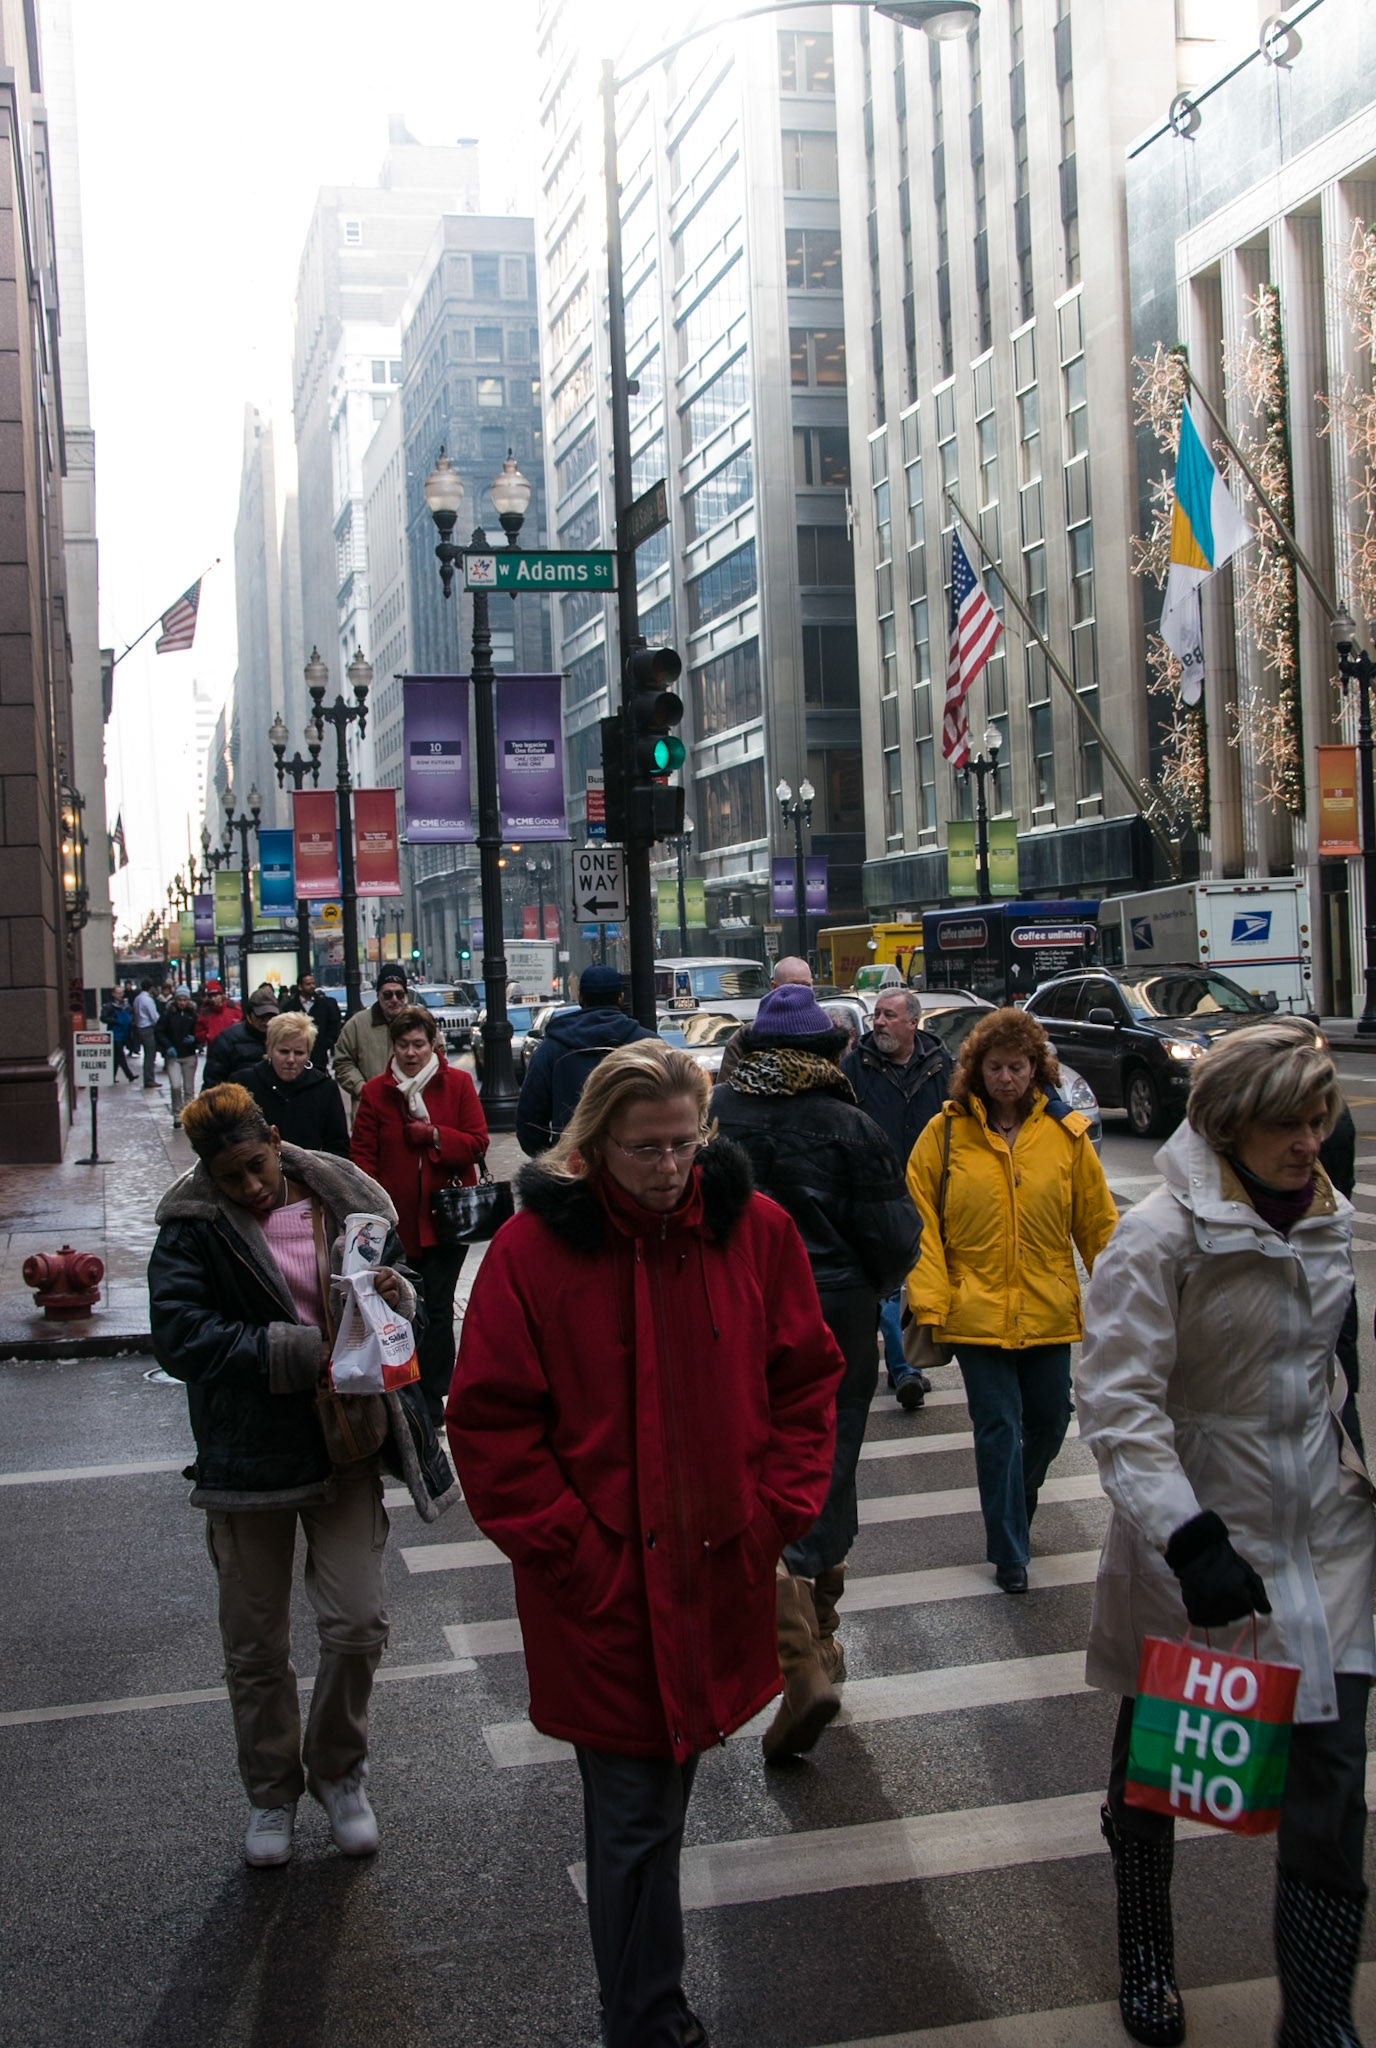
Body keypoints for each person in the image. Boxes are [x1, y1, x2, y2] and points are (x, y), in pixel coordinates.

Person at [449, 1041, 843, 2048]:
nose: (669, 1167)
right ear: (592, 1144)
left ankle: (646, 2007)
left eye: (682, 1142)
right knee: (631, 1819)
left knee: (661, 1807)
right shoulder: (535, 1257)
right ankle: (645, 2020)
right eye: (644, 1148)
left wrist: (773, 1511)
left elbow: (803, 1377)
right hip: (605, 1591)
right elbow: (490, 1425)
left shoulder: (753, 1231)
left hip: (714, 1571)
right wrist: (580, 1556)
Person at [1076, 1021, 1374, 2048]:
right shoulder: (1158, 1235)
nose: (1309, 1142)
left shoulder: (1332, 1222)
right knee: (1166, 1769)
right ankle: (1148, 1956)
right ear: (1228, 1126)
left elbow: (1342, 1377)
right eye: (1286, 1123)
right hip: (1206, 1545)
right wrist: (1187, 1535)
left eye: (1317, 1119)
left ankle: (1319, 2015)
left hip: (1327, 1541)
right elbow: (1118, 1404)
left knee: (1330, 1781)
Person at [147, 1083, 421, 1870]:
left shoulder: (345, 1195)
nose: (251, 1187)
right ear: (208, 1175)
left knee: (358, 1624)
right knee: (256, 1645)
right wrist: (295, 1351)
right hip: (246, 1459)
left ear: (275, 1138)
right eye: (230, 1178)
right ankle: (272, 1791)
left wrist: (402, 1303)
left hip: (345, 1443)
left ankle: (339, 1772)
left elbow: (402, 1297)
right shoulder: (193, 1225)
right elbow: (181, 1335)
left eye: (257, 1166)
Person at [709, 982, 921, 1760]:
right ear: (829, 1053)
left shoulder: (715, 1115)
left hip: (730, 1314)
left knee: (743, 1464)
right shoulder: (850, 1124)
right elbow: (895, 1240)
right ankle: (815, 1639)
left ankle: (796, 1641)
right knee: (827, 1462)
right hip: (832, 1315)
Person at [905, 1005, 1116, 1594]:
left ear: (1035, 1068)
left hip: (1048, 1306)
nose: (1007, 1079)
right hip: (974, 1310)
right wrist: (933, 1297)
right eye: (996, 1067)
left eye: (1018, 1067)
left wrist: (1125, 1297)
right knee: (997, 1425)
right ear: (978, 1069)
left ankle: (1018, 1500)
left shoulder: (1066, 1136)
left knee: (1050, 1419)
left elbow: (1098, 1223)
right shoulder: (945, 1133)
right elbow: (919, 1219)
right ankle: (1008, 1551)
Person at [351, 1003, 488, 1424]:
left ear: (433, 1045)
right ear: (392, 1046)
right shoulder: (377, 1092)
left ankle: (433, 1397)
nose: (411, 1053)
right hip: (397, 1225)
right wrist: (371, 1213)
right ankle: (404, 1391)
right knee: (400, 1310)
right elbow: (363, 1157)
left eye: (418, 1045)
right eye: (403, 1045)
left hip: (446, 1221)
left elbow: (477, 1142)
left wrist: (433, 1136)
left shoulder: (458, 1084)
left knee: (440, 1307)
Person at [842, 989, 950, 1413]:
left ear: (913, 1023)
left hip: (931, 1190)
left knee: (924, 1279)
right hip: (878, 1192)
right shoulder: (856, 1068)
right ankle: (905, 1369)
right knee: (889, 1286)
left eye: (890, 1015)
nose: (880, 1022)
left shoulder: (943, 1066)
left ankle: (913, 1358)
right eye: (877, 1015)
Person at [516, 963, 656, 1156]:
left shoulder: (551, 1049)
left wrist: (553, 1158)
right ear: (620, 998)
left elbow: (529, 1118)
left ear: (581, 998)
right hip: (637, 1163)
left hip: (572, 1165)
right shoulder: (650, 1045)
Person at [244, 1011, 350, 1158]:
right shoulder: (245, 1084)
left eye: (299, 1053)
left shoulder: (325, 1088)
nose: (291, 1059)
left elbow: (338, 1146)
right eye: (284, 1051)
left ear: (308, 1054)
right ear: (269, 1049)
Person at [716, 954, 813, 1086]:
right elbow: (725, 1094)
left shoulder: (827, 1034)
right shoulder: (745, 1038)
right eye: (792, 986)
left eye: (806, 986)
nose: (800, 994)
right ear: (774, 988)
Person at [333, 965, 410, 1107]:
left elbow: (438, 1055)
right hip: (369, 1109)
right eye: (387, 995)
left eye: (399, 994)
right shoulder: (357, 1025)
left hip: (412, 1107)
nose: (394, 1000)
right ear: (378, 995)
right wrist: (363, 1089)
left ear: (406, 995)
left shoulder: (420, 1022)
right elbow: (342, 1063)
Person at [202, 985, 279, 1088]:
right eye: (261, 1016)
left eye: (270, 1016)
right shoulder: (227, 1040)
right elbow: (213, 1080)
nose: (266, 1021)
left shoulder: (283, 1038)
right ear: (249, 1014)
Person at [155, 985, 200, 1126]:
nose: (182, 1002)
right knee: (175, 1086)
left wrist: (195, 1040)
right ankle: (177, 1114)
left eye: (184, 999)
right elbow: (159, 1031)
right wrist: (168, 1046)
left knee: (189, 1088)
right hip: (174, 1056)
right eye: (180, 999)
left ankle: (188, 1115)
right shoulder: (168, 1014)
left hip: (189, 1055)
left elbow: (199, 1030)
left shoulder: (193, 1015)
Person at [281, 971, 343, 1070]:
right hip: (297, 1052)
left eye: (313, 983)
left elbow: (332, 1025)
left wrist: (326, 1043)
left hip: (319, 1053)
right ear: (300, 987)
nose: (312, 986)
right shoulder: (290, 1007)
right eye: (308, 984)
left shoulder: (323, 1004)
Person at [195, 979, 242, 1051]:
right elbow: (199, 1033)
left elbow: (242, 1026)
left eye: (215, 995)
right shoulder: (205, 1012)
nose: (213, 999)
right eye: (210, 997)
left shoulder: (233, 1008)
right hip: (215, 1050)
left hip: (233, 1049)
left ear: (221, 995)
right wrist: (208, 1035)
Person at [101, 988, 136, 1082]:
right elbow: (103, 1018)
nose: (120, 995)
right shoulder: (109, 1006)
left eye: (121, 993)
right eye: (118, 993)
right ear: (113, 994)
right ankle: (129, 1075)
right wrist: (116, 1021)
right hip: (115, 1034)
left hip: (124, 1033)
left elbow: (132, 1013)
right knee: (120, 1055)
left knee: (116, 1057)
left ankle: (111, 1077)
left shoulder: (126, 1005)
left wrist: (130, 1020)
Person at [133, 978, 161, 1088]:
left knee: (147, 1054)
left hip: (140, 1027)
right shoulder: (148, 1000)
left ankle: (148, 1078)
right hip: (147, 1028)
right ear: (151, 988)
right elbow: (154, 1016)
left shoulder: (138, 998)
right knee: (150, 1055)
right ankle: (149, 1079)